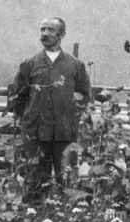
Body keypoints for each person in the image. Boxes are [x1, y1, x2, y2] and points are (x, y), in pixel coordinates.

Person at [9, 17, 91, 199]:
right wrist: (30, 118)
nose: (44, 34)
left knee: (68, 183)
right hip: (36, 135)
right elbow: (17, 96)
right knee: (35, 184)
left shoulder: (75, 65)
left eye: (50, 30)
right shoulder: (30, 64)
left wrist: (70, 117)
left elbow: (84, 96)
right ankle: (35, 221)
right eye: (42, 29)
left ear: (62, 34)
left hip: (65, 135)